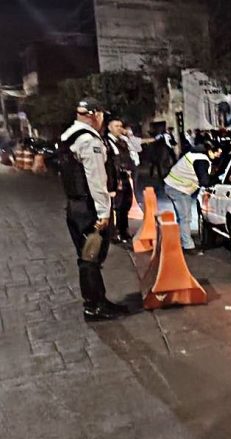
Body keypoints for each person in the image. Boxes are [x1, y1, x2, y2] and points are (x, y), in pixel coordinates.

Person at [56, 98, 128, 321]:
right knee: (91, 256)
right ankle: (94, 306)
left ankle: (98, 301)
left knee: (87, 256)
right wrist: (104, 213)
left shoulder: (68, 136)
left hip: (75, 206)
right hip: (89, 208)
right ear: (95, 114)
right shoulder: (89, 141)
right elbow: (96, 180)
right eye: (102, 116)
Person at [163, 142, 222, 254]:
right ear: (210, 151)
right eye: (217, 153)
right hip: (178, 188)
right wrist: (219, 178)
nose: (218, 156)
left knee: (182, 217)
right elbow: (205, 182)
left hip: (175, 186)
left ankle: (183, 242)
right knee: (185, 218)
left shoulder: (195, 154)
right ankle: (188, 246)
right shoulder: (201, 160)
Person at [104, 117, 137, 244]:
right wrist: (111, 184)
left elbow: (133, 153)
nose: (119, 128)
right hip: (115, 178)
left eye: (120, 126)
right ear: (109, 128)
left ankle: (124, 230)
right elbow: (109, 164)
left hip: (125, 177)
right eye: (116, 126)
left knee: (126, 204)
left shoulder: (123, 141)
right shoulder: (106, 143)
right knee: (117, 206)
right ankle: (115, 232)